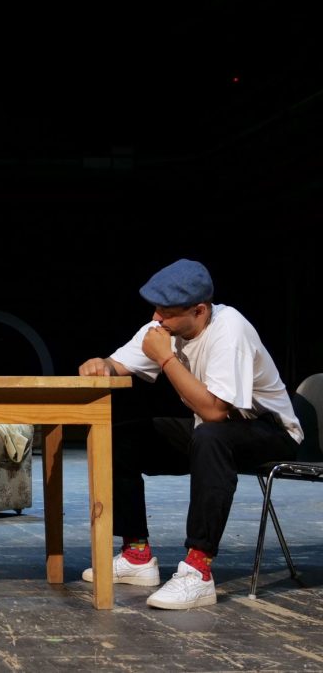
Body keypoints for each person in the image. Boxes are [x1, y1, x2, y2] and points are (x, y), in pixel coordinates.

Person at [79, 258, 302, 609]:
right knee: (120, 438)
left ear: (199, 310)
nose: (157, 318)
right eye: (156, 309)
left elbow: (214, 411)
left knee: (211, 437)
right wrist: (100, 365)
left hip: (272, 431)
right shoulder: (165, 327)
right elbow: (117, 364)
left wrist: (165, 360)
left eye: (166, 313)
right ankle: (137, 555)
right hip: (214, 429)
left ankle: (198, 571)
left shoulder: (230, 330)